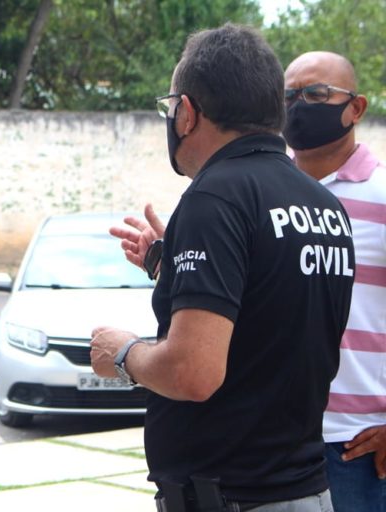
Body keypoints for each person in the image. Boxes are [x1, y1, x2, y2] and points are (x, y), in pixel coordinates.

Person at [89, 24, 355, 511]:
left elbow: (193, 371)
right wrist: (172, 264)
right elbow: (271, 305)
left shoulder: (215, 197)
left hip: (234, 494)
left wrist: (123, 353)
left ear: (187, 113)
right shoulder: (322, 203)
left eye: (170, 108)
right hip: (304, 487)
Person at [284, 51, 386, 512]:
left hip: (355, 447)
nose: (298, 106)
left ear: (356, 108)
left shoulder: (382, 195)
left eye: (316, 94)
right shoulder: (265, 193)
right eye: (288, 96)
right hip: (272, 439)